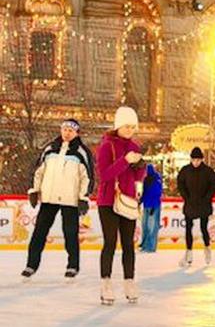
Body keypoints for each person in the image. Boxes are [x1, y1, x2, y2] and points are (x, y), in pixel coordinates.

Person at [22, 118, 94, 280]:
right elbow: (38, 171)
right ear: (61, 130)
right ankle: (31, 265)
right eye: (65, 129)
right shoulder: (50, 148)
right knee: (39, 232)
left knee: (70, 233)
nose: (67, 133)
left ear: (77, 133)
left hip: (70, 199)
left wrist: (83, 197)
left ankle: (72, 265)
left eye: (71, 130)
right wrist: (34, 190)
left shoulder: (82, 152)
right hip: (49, 197)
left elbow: (87, 177)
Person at [95, 106, 146, 305]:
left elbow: (136, 176)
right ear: (118, 125)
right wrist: (125, 160)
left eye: (133, 127)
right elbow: (105, 175)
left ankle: (129, 281)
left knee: (128, 244)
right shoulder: (107, 146)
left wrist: (141, 169)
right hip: (109, 200)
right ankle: (106, 282)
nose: (130, 130)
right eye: (126, 126)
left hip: (128, 201)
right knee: (110, 242)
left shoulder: (135, 145)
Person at [176, 146, 215, 267]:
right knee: (188, 228)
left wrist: (207, 198)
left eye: (198, 160)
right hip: (190, 203)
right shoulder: (185, 170)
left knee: (203, 228)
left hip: (204, 204)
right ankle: (189, 251)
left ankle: (207, 248)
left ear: (202, 160)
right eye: (194, 160)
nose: (196, 162)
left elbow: (214, 186)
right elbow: (180, 184)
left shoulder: (208, 171)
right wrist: (186, 197)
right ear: (190, 159)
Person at [138, 163, 163, 253]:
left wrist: (153, 206)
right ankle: (145, 244)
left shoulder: (156, 180)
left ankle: (151, 246)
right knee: (145, 226)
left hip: (154, 206)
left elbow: (156, 194)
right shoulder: (146, 180)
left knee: (152, 227)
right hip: (147, 205)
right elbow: (145, 193)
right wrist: (140, 201)